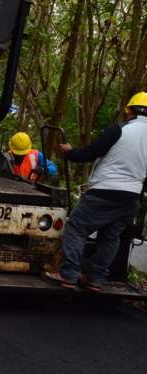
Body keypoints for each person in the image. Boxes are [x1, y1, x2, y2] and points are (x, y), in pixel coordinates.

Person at [43, 92, 147, 292]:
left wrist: (70, 152)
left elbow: (92, 152)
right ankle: (95, 279)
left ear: (130, 111)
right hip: (132, 197)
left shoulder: (119, 130)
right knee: (111, 236)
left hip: (105, 190)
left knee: (76, 226)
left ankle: (68, 274)